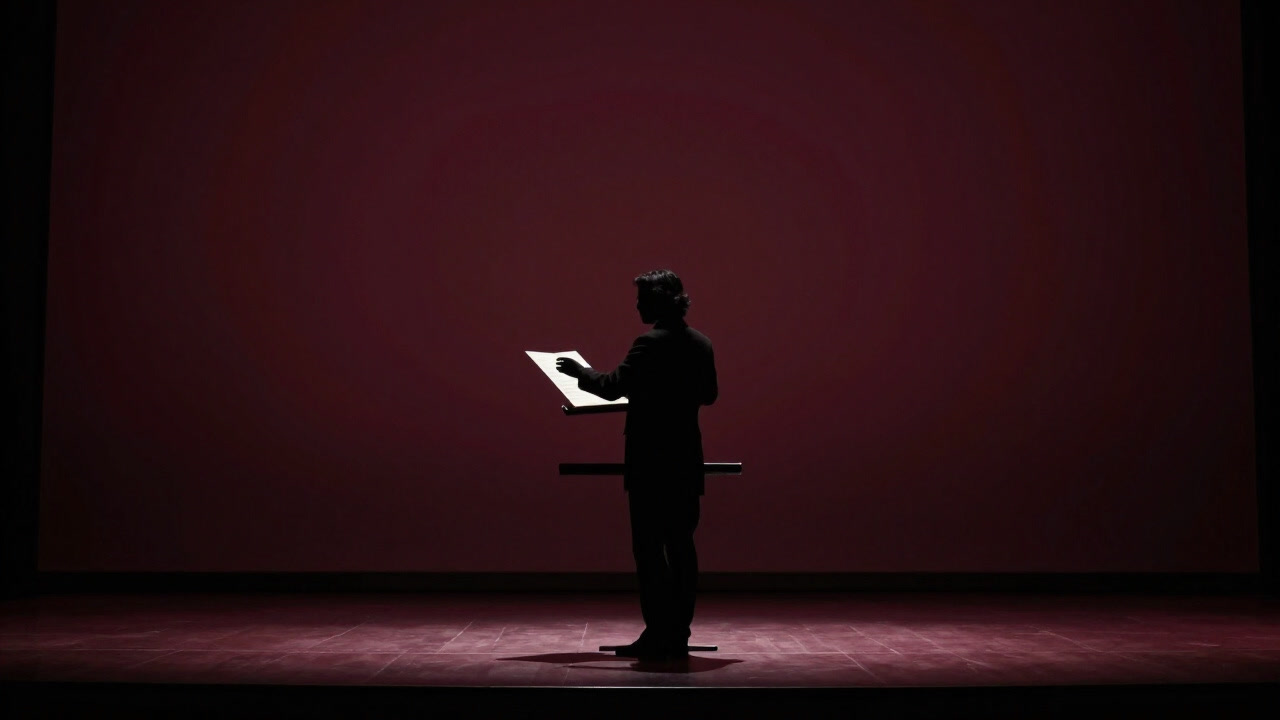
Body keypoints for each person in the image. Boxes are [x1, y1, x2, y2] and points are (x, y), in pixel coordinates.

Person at [556, 269, 718, 661]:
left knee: (648, 549)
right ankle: (677, 632)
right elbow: (709, 395)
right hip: (685, 459)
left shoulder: (649, 342)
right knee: (681, 546)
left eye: (643, 299)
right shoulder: (701, 343)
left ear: (661, 301)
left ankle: (658, 633)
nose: (637, 305)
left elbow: (612, 386)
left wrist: (581, 373)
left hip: (651, 462)